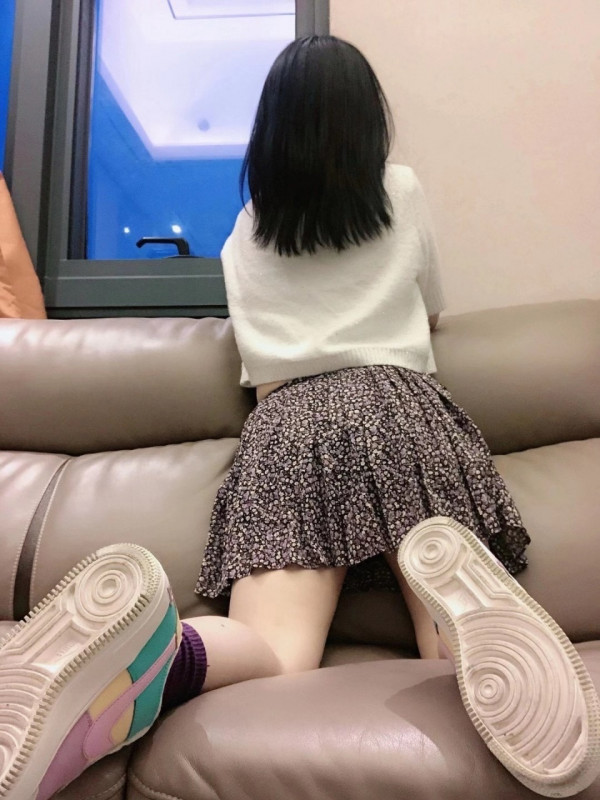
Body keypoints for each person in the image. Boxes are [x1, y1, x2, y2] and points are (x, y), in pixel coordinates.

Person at [0, 35, 598, 800]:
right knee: (439, 646)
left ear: (271, 133)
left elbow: (260, 370)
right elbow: (431, 309)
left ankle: (162, 650)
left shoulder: (246, 232)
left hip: (291, 428)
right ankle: (460, 623)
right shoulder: (401, 191)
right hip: (396, 408)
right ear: (368, 123)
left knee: (275, 652)